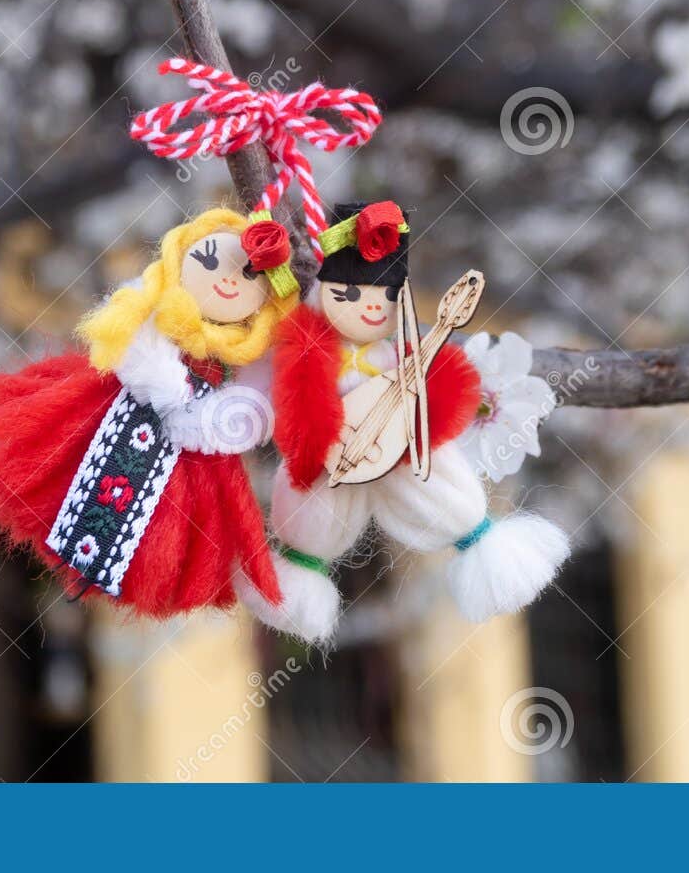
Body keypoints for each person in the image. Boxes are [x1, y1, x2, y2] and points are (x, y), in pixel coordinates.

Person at [241, 200, 569, 643]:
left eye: (387, 297)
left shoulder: (396, 352)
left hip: (400, 444)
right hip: (331, 452)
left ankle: (477, 537)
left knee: (439, 484)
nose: (369, 309)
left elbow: (443, 389)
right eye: (349, 296)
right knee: (315, 507)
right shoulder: (312, 342)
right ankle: (301, 570)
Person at [0, 208, 296, 617]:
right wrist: (162, 380)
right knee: (63, 463)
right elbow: (125, 337)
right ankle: (79, 544)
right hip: (113, 403)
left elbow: (259, 408)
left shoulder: (245, 363)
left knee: (170, 532)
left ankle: (108, 564)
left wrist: (211, 418)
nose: (227, 279)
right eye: (208, 260)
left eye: (249, 276)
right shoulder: (152, 311)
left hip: (196, 456)